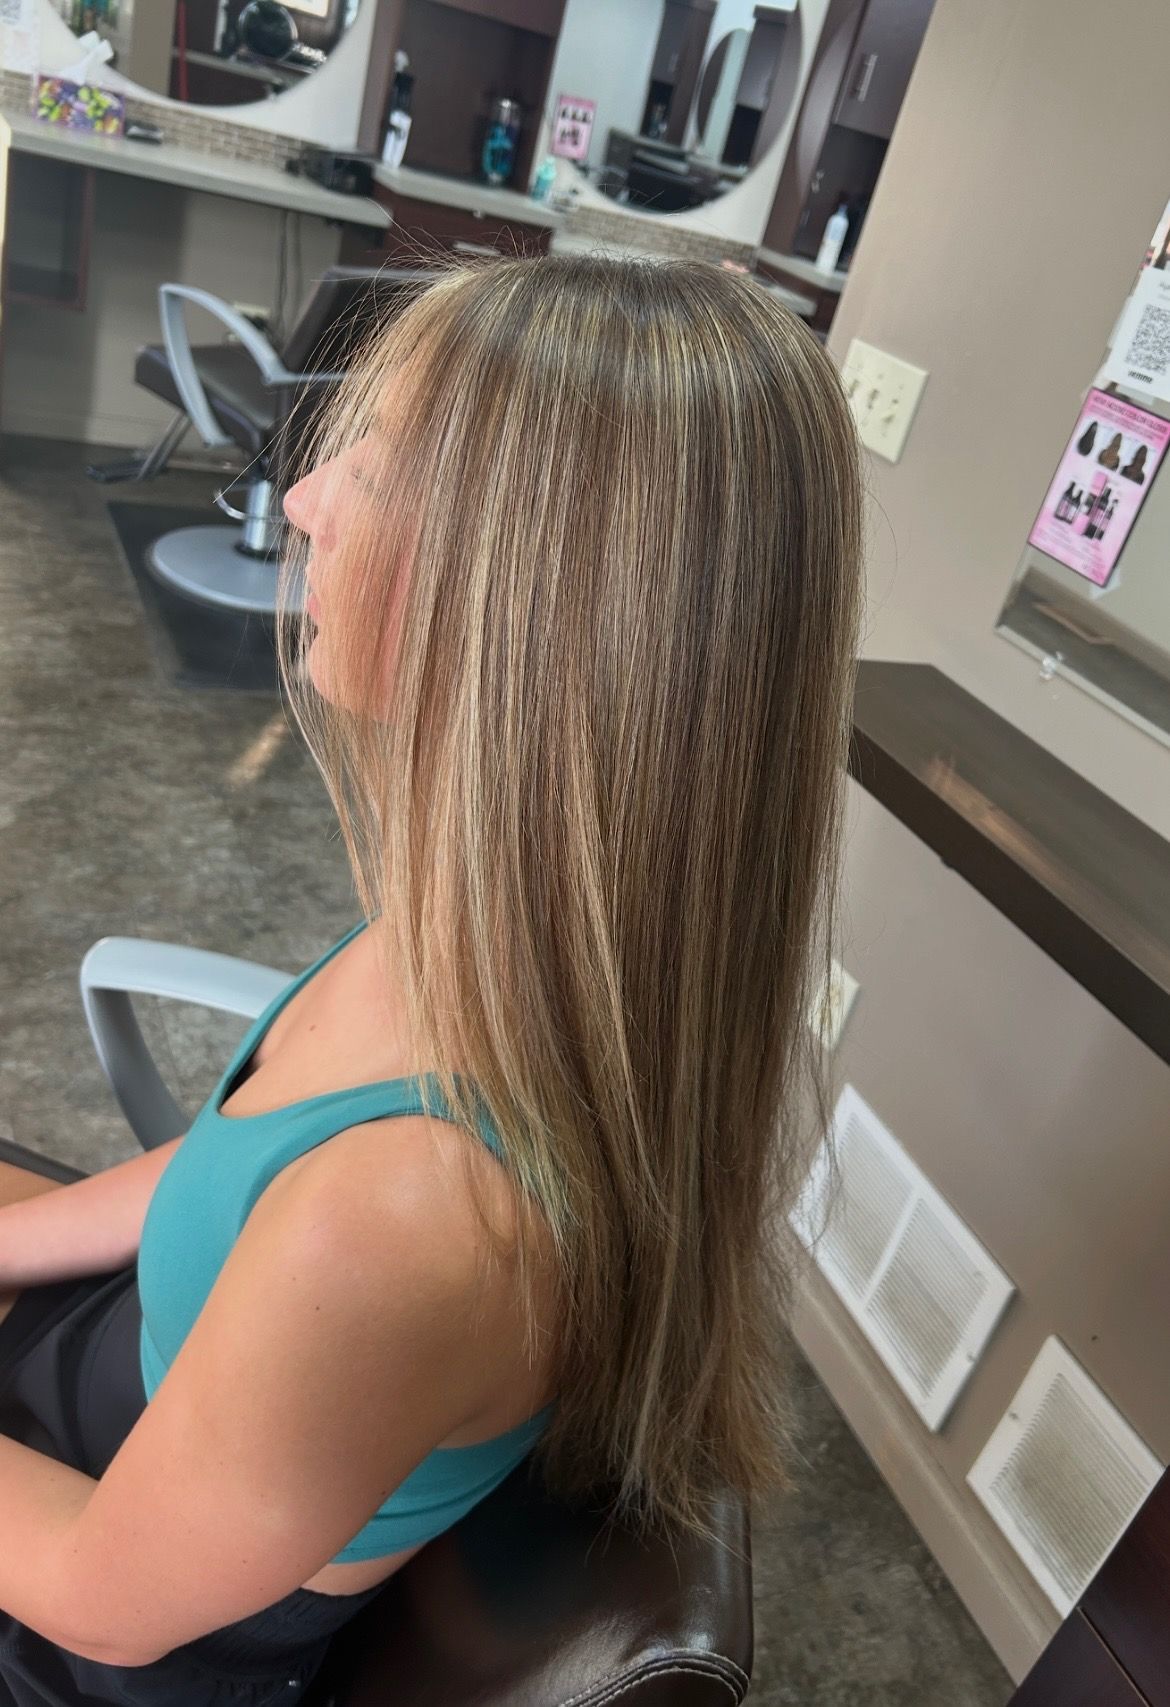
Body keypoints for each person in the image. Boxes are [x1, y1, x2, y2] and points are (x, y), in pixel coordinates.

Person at [0, 254, 863, 1704]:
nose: (303, 502)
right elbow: (231, 1164)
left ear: (545, 611)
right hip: (127, 1391)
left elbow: (103, 1598)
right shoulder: (482, 946)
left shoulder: (408, 1217)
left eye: (376, 473)